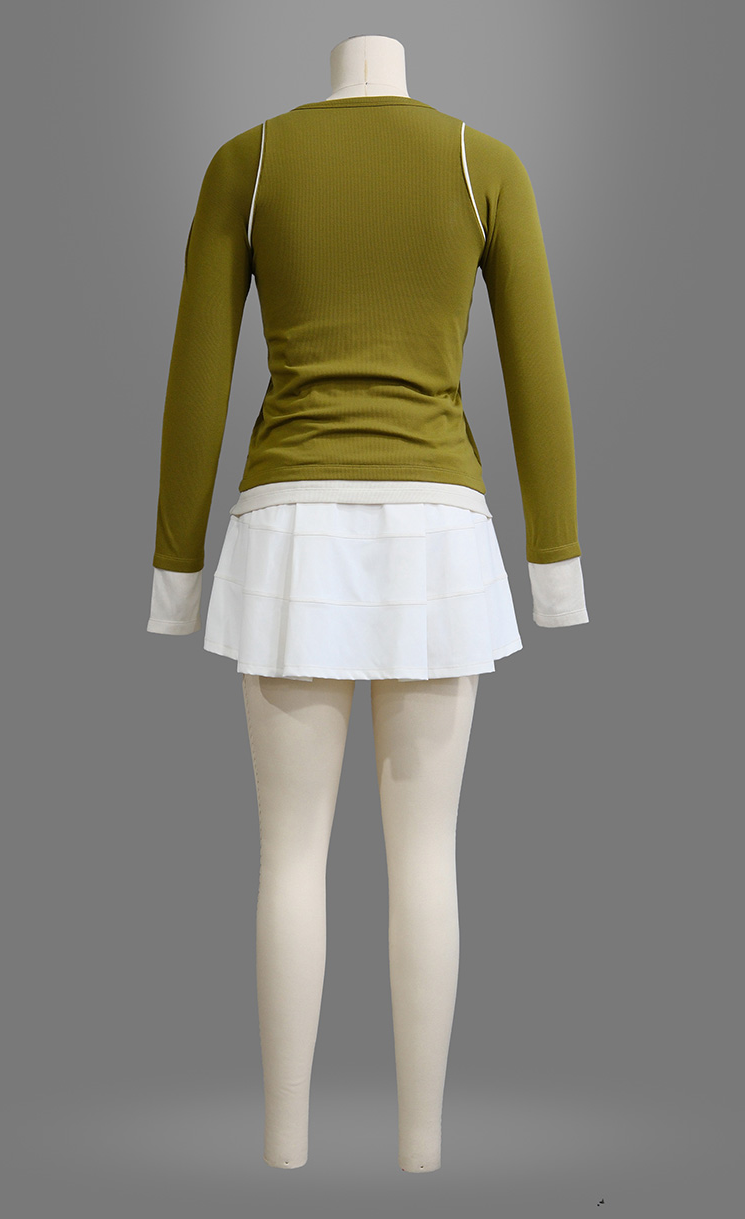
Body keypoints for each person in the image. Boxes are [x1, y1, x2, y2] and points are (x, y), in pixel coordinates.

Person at [147, 33, 589, 1172]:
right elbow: (538, 373)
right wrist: (556, 564)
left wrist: (175, 574)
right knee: (427, 856)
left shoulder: (249, 161)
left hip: (289, 526)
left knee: (287, 856)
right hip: (437, 529)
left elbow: (196, 373)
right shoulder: (481, 161)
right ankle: (421, 1149)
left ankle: (286, 1145)